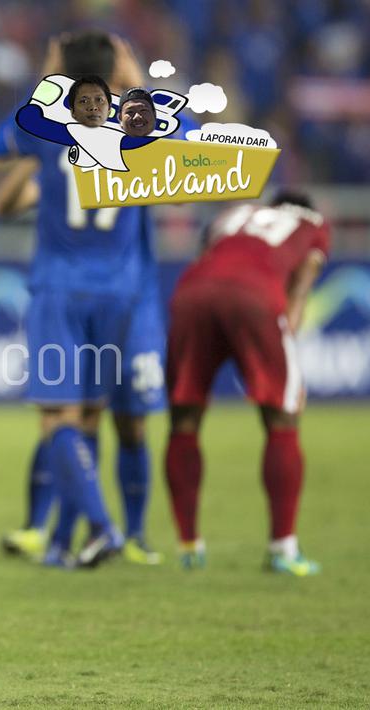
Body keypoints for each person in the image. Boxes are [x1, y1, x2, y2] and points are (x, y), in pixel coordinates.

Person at [0, 32, 173, 568]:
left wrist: (49, 81)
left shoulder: (47, 125)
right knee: (92, 416)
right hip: (120, 292)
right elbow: (187, 132)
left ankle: (103, 528)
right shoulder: (139, 127)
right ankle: (68, 540)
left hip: (60, 289)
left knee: (59, 419)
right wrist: (136, 84)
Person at [164, 193, 329, 576]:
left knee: (184, 418)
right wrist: (287, 353)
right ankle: (282, 549)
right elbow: (299, 289)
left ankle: (189, 546)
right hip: (254, 295)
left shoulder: (234, 214)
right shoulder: (314, 226)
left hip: (192, 293)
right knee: (283, 417)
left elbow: (207, 256)